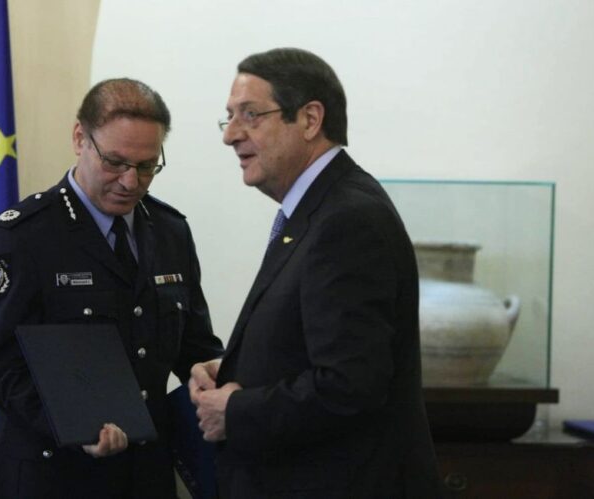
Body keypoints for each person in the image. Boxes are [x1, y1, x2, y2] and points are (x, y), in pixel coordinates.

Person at [190, 48, 443, 498]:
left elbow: (350, 385)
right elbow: (313, 347)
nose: (230, 135)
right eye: (229, 117)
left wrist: (237, 411)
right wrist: (235, 368)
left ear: (309, 119)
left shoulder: (347, 220)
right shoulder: (320, 209)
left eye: (250, 115)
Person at [0, 78, 224, 498]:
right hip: (53, 476)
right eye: (115, 162)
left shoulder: (170, 231)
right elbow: (1, 371)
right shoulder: (19, 239)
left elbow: (194, 344)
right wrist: (75, 426)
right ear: (79, 139)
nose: (130, 181)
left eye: (147, 166)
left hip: (146, 475)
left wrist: (213, 375)